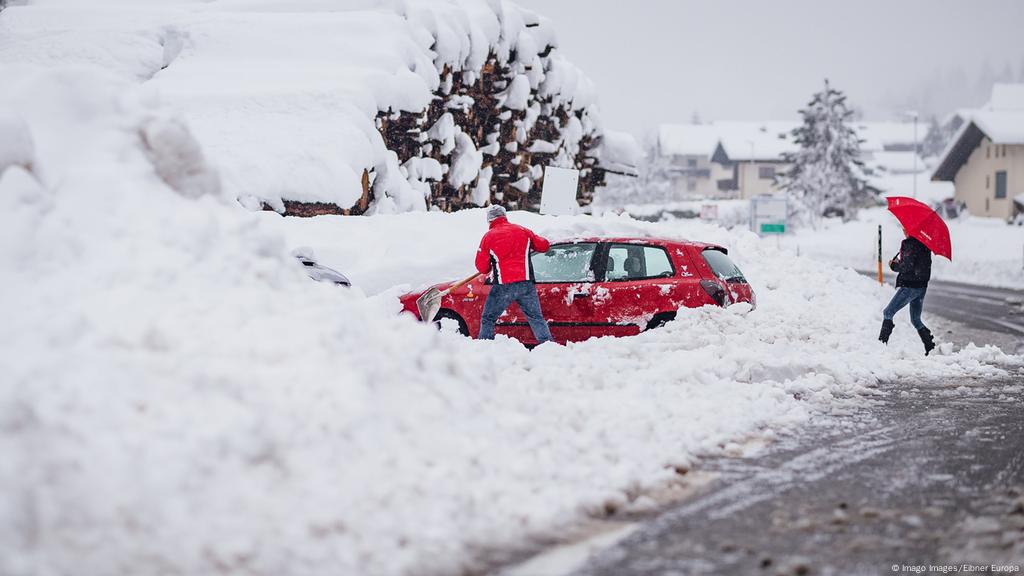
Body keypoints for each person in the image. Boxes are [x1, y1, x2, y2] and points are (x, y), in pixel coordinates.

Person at [475, 205, 553, 344]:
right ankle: (548, 346)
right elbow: (544, 246)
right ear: (505, 216)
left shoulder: (488, 237)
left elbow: (482, 267)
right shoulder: (522, 231)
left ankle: (484, 346)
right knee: (536, 318)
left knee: (488, 318)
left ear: (489, 220)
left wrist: (492, 263)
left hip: (503, 286)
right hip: (526, 283)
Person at [879, 230, 935, 355]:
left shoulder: (910, 244)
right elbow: (917, 264)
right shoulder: (924, 243)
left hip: (909, 286)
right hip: (921, 287)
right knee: (915, 319)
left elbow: (906, 267)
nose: (904, 230)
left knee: (888, 312)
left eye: (905, 228)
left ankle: (881, 346)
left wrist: (894, 265)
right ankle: (930, 345)